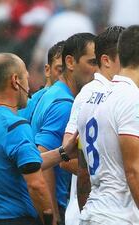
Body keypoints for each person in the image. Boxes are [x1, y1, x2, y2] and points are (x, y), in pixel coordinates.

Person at [0, 53, 78, 225]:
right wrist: (50, 219)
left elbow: (17, 165)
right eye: (26, 77)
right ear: (15, 80)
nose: (29, 83)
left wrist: (63, 153)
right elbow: (36, 184)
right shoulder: (15, 125)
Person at [75, 25, 139, 225]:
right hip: (117, 217)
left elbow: (83, 171)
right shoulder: (134, 98)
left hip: (92, 213)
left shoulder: (91, 99)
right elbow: (133, 171)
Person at [30, 33, 97, 225]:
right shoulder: (64, 104)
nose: (96, 71)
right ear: (70, 62)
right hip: (51, 207)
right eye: (91, 62)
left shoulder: (44, 95)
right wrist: (52, 215)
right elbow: (43, 161)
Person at [62, 25, 125, 225]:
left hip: (94, 210)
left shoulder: (96, 93)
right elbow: (66, 156)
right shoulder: (89, 94)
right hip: (96, 210)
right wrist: (106, 175)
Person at [18, 40, 65, 121]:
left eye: (71, 71)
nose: (66, 76)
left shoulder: (77, 101)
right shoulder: (28, 105)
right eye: (60, 70)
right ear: (47, 70)